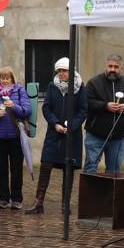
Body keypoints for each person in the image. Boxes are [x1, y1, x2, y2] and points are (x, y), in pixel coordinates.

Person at [28, 58, 86, 215]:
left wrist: (71, 126)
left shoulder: (80, 88)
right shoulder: (52, 87)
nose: (61, 74)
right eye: (59, 71)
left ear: (71, 72)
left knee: (68, 169)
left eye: (64, 71)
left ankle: (65, 204)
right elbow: (46, 108)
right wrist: (55, 124)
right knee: (46, 164)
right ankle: (38, 202)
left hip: (72, 135)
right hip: (54, 133)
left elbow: (83, 110)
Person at [83, 54, 124, 174]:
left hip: (118, 137)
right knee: (90, 168)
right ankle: (92, 193)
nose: (112, 69)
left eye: (116, 67)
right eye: (110, 66)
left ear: (121, 68)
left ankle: (109, 194)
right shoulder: (93, 83)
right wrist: (105, 106)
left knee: (114, 171)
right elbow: (86, 102)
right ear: (106, 66)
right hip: (95, 134)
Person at [0, 66, 31, 209]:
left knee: (16, 169)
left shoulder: (20, 91)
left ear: (12, 79)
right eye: (2, 78)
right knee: (1, 169)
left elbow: (27, 111)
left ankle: (16, 199)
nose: (4, 80)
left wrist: (14, 106)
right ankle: (3, 198)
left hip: (16, 136)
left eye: (7, 78)